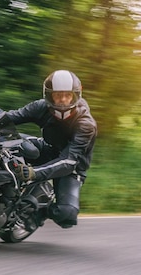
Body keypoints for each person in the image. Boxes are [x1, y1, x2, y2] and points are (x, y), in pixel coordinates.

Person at [6, 70, 97, 229]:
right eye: (57, 95)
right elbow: (8, 118)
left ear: (75, 95)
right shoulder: (40, 107)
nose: (62, 100)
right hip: (47, 149)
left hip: (71, 168)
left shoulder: (86, 124)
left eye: (67, 95)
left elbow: (68, 161)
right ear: (49, 96)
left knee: (67, 214)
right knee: (7, 141)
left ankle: (40, 211)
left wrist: (34, 172)